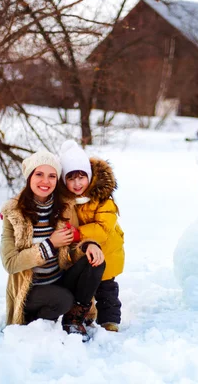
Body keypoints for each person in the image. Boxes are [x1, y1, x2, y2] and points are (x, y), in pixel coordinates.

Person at [0, 150, 105, 342]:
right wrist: (50, 244)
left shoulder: (64, 207)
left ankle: (74, 319)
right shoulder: (13, 214)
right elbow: (10, 262)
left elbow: (71, 246)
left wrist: (88, 246)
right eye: (39, 174)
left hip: (59, 279)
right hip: (31, 289)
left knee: (95, 260)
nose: (45, 181)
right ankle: (38, 322)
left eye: (52, 176)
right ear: (30, 177)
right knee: (62, 299)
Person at [59, 140, 125, 332]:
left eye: (81, 177)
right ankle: (85, 313)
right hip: (84, 253)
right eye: (71, 178)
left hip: (108, 251)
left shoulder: (103, 199)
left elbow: (103, 228)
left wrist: (79, 233)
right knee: (87, 286)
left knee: (106, 290)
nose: (77, 183)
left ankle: (109, 321)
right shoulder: (69, 200)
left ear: (89, 176)